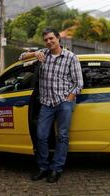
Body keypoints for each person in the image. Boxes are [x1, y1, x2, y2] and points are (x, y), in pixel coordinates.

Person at [19, 27, 83, 183]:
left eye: (51, 38)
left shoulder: (70, 57)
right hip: (46, 103)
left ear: (58, 38)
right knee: (41, 135)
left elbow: (79, 83)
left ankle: (56, 169)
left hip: (64, 103)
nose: (49, 42)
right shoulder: (43, 54)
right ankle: (43, 167)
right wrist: (34, 54)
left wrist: (69, 98)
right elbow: (21, 57)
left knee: (62, 136)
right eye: (46, 40)